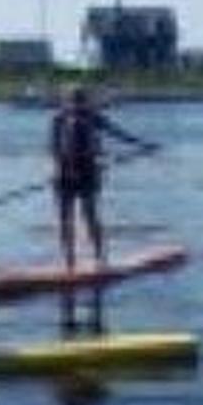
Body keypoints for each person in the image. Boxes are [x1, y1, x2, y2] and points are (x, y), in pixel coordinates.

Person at [50, 86, 153, 271]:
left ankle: (99, 258)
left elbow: (117, 133)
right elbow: (54, 147)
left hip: (87, 172)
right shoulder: (59, 119)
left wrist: (142, 145)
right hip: (65, 174)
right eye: (72, 100)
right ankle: (69, 261)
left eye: (79, 100)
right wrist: (60, 169)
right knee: (65, 219)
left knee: (90, 215)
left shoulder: (93, 117)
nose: (76, 104)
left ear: (85, 101)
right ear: (66, 101)